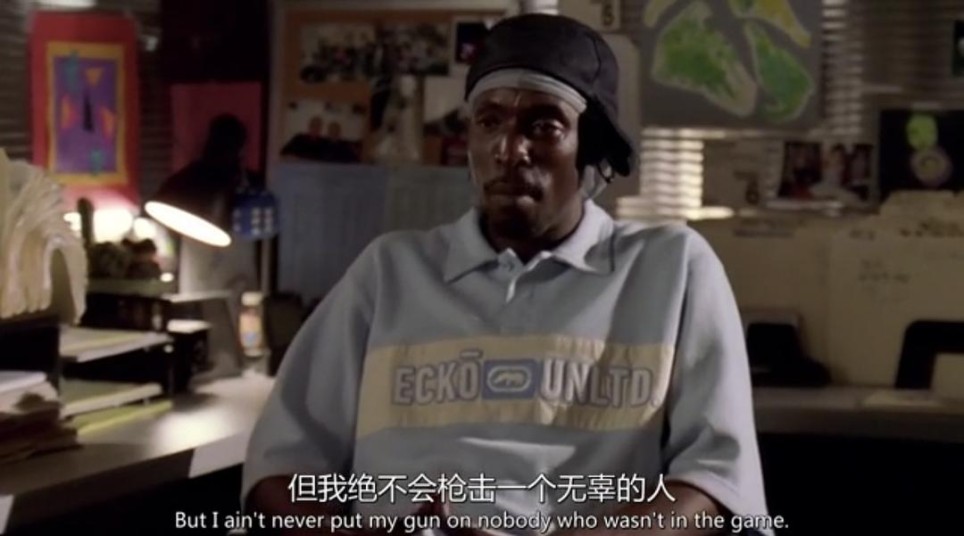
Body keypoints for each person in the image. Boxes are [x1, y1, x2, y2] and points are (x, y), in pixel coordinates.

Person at [243, 13, 770, 536]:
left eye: (543, 126)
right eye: (489, 121)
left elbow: (715, 483)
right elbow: (280, 469)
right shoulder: (389, 273)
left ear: (592, 148)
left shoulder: (671, 269)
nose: (508, 150)